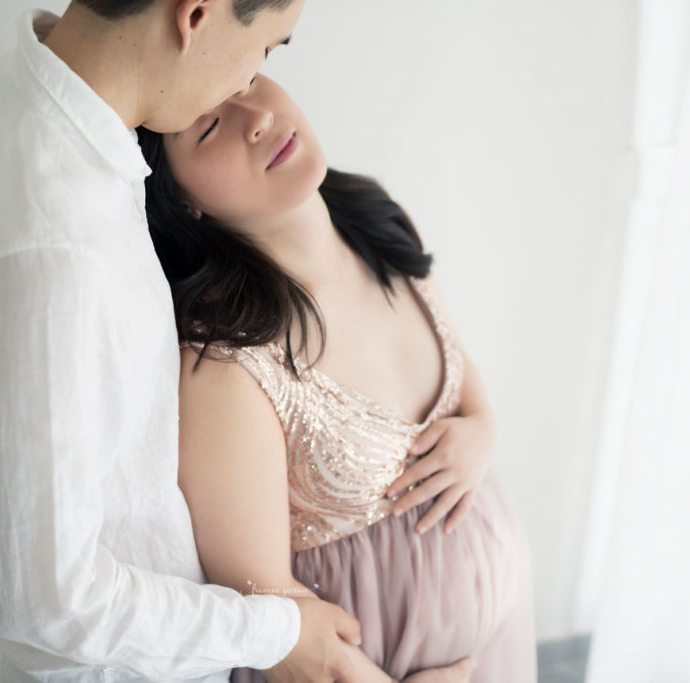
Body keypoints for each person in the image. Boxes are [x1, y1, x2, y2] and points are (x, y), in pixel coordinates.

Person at [0, 1, 396, 680]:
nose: (249, 86)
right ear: (195, 15)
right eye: (265, 49)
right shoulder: (52, 251)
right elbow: (49, 600)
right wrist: (278, 632)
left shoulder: (13, 97)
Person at [136, 73, 538, 681]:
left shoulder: (376, 223)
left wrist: (482, 426)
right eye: (212, 125)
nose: (258, 117)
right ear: (181, 200)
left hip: (498, 641)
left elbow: (452, 357)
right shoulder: (227, 364)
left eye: (245, 80)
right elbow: (268, 614)